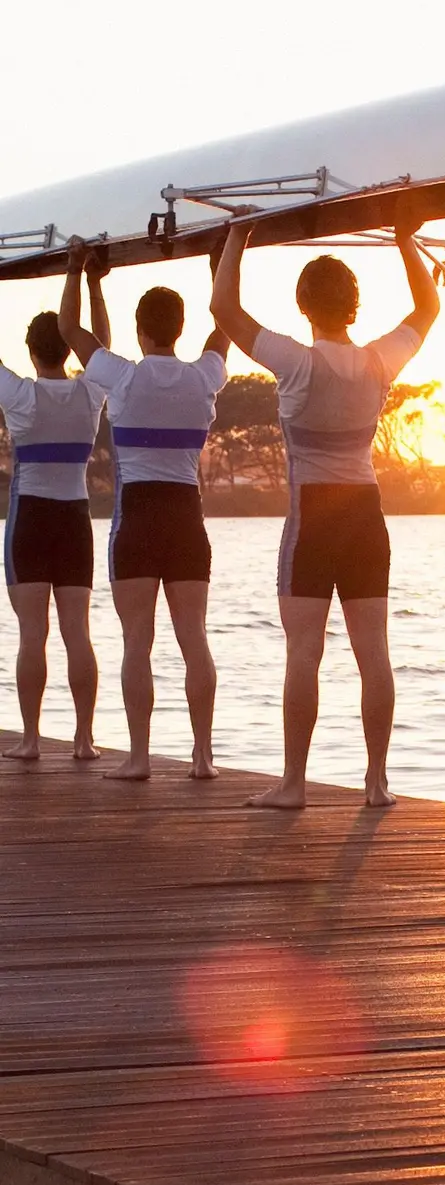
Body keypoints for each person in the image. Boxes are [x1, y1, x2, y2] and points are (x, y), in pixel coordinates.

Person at [210, 219, 441, 809]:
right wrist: (405, 241)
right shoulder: (378, 363)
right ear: (354, 305)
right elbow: (428, 307)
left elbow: (225, 308)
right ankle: (377, 782)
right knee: (374, 653)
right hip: (366, 517)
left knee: (303, 653)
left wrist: (237, 238)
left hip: (312, 517)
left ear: (303, 306)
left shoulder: (295, 361)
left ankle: (293, 784)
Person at [59, 240, 228, 781]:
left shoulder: (123, 377)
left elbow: (69, 331)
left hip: (137, 517)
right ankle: (203, 756)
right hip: (186, 516)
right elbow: (222, 327)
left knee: (138, 641)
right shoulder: (204, 376)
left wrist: (78, 271)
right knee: (194, 638)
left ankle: (138, 757)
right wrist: (219, 264)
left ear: (140, 330)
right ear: (177, 329)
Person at [0, 291, 109, 762]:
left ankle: (31, 739)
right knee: (77, 632)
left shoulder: (21, 395)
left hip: (31, 518)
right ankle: (84, 741)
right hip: (74, 518)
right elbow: (101, 347)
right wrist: (94, 288)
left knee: (32, 633)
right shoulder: (89, 393)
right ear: (68, 350)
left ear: (30, 352)